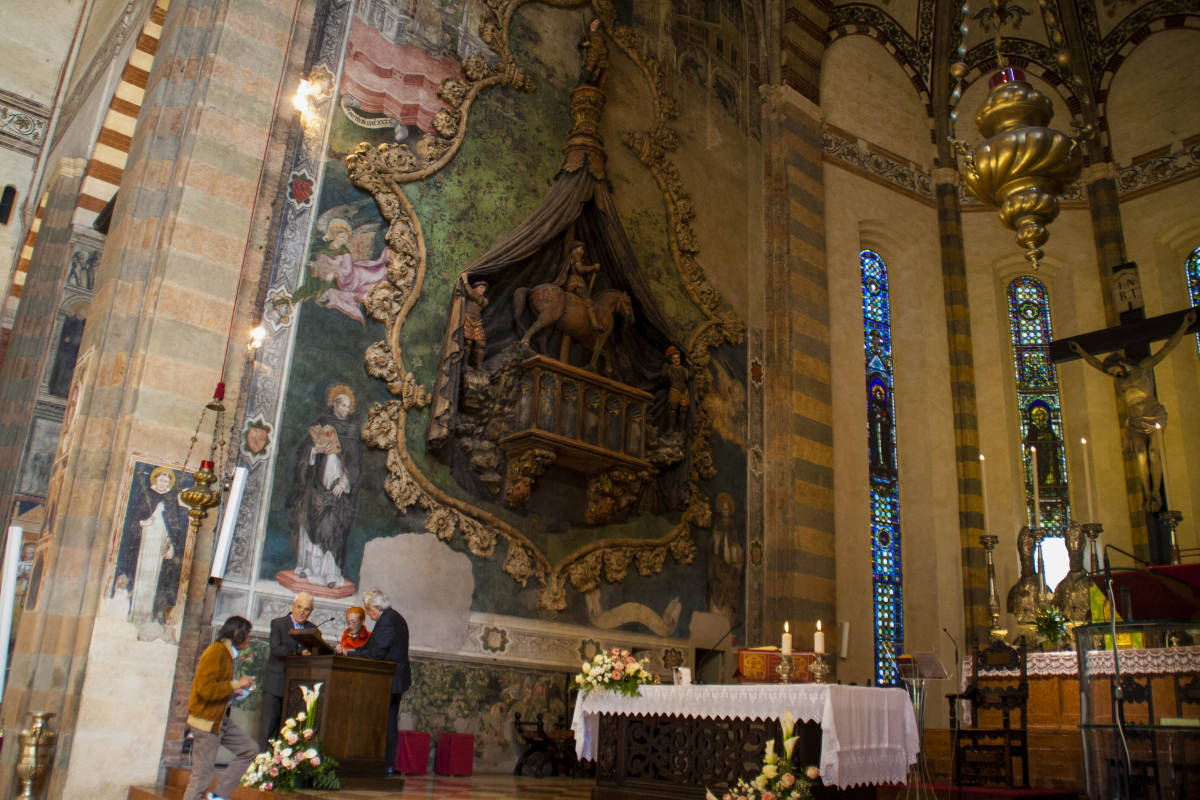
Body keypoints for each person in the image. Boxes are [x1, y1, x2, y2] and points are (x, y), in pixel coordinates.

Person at [1068, 310, 1197, 510]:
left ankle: (1156, 493)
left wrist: (1185, 326)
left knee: (1154, 452)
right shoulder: (1119, 380)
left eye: (1114, 371)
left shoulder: (1143, 368)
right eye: (1111, 373)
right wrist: (1080, 351)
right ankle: (1147, 494)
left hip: (1154, 416)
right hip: (1135, 421)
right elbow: (1095, 364)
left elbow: (1167, 347)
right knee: (1141, 455)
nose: (1114, 374)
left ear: (1121, 363)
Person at [286, 384, 363, 589]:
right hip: (317, 483)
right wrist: (313, 452)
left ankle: (330, 573)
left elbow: (355, 464)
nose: (346, 410)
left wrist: (344, 482)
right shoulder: (323, 423)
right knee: (309, 522)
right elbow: (306, 450)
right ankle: (308, 567)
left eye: (348, 406)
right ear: (335, 406)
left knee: (332, 528)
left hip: (337, 487)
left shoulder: (353, 431)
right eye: (343, 406)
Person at [182, 615, 256, 800]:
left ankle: (218, 797)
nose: (248, 639)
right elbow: (205, 689)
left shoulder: (227, 653)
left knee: (249, 749)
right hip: (205, 722)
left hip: (219, 719)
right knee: (202, 777)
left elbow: (217, 686)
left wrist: (234, 692)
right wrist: (236, 685)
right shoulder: (216, 651)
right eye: (247, 635)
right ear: (237, 633)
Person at [338, 588, 411, 777]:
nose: (369, 615)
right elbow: (371, 647)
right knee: (387, 720)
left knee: (386, 722)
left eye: (369, 610)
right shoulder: (391, 618)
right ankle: (383, 763)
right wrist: (351, 650)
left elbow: (378, 653)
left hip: (389, 679)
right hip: (390, 678)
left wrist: (350, 653)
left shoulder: (387, 621)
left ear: (377, 608)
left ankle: (385, 765)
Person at [260, 593, 317, 751]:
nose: (302, 612)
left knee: (289, 730)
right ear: (293, 606)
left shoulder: (312, 629)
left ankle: (282, 768)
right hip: (276, 683)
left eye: (306, 609)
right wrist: (298, 653)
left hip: (297, 687)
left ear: (311, 612)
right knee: (268, 727)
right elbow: (276, 649)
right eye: (299, 607)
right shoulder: (278, 623)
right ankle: (262, 765)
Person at [553, 241, 602, 331]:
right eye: (581, 248)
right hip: (577, 283)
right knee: (589, 302)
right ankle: (595, 324)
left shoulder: (571, 257)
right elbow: (580, 269)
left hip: (570, 282)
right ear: (575, 248)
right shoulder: (576, 254)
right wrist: (593, 267)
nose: (582, 250)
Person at [460, 275, 489, 370]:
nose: (483, 290)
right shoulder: (470, 294)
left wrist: (465, 282)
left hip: (477, 323)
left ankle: (479, 366)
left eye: (484, 288)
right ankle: (465, 365)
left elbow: (474, 295)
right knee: (467, 342)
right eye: (481, 288)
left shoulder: (484, 300)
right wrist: (465, 282)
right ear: (475, 288)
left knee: (481, 344)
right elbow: (470, 293)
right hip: (467, 319)